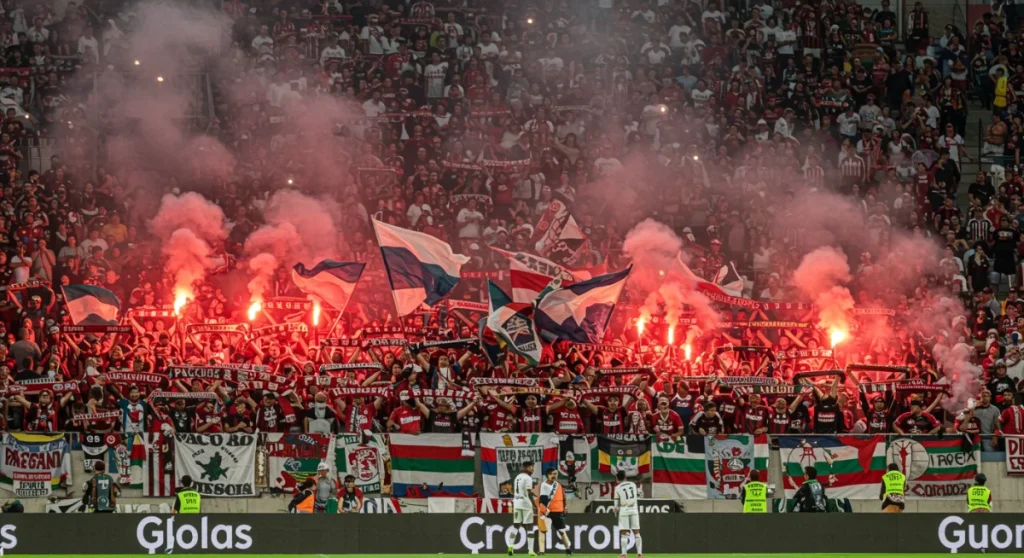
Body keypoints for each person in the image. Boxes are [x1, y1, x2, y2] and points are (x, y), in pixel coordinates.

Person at [539, 467, 572, 556]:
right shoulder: (544, 485)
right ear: (548, 475)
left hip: (557, 511)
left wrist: (565, 507)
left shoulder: (558, 485)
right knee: (542, 531)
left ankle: (568, 549)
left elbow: (564, 497)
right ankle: (541, 551)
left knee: (562, 531)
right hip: (547, 512)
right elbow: (542, 499)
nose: (554, 476)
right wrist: (544, 511)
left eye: (556, 474)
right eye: (552, 474)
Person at [510, 461, 538, 557]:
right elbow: (529, 492)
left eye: (533, 467)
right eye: (531, 467)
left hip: (517, 503)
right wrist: (534, 505)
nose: (532, 469)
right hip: (525, 504)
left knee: (516, 526)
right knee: (529, 527)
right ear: (525, 468)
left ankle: (510, 546)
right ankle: (530, 551)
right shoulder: (528, 478)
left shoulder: (517, 477)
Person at [614, 469, 642, 558]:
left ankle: (624, 554)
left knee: (624, 534)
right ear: (625, 477)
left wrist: (615, 508)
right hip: (634, 509)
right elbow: (638, 494)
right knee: (637, 533)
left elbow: (616, 502)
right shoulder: (633, 485)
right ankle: (639, 554)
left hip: (624, 511)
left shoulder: (617, 488)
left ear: (617, 478)